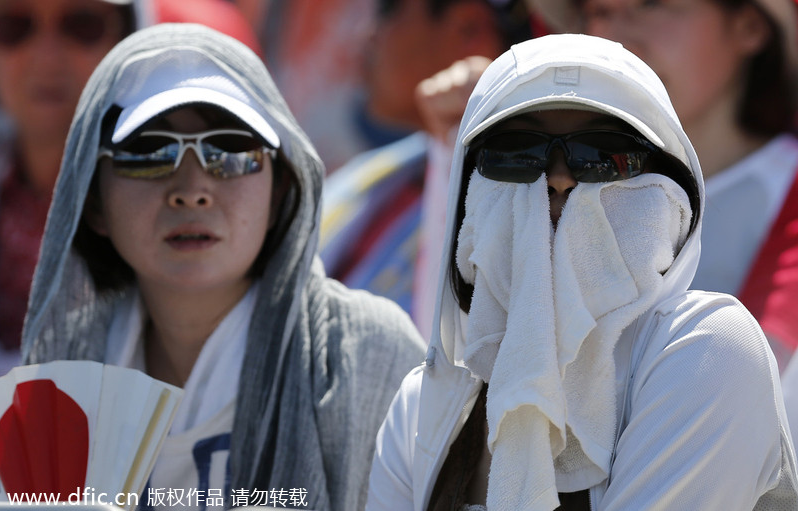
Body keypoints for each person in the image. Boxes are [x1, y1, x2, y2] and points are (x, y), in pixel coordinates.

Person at [366, 34, 797, 511]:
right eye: (517, 152)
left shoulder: (710, 353)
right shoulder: (421, 411)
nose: (558, 179)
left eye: (603, 155)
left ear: (671, 193)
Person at [21, 23, 425, 511]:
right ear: (92, 202)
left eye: (231, 151)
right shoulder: (62, 370)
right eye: (149, 153)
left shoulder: (366, 354)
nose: (192, 190)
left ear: (279, 190)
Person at [528, 0, 798, 369]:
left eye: (651, 5)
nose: (617, 41)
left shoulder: (786, 188)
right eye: (600, 11)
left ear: (749, 27)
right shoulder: (549, 181)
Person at [320, 0, 534, 339]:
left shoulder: (539, 197)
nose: (368, 33)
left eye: (388, 9)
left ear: (468, 29)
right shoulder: (374, 172)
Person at [0, 0, 145, 376]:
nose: (47, 58)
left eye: (82, 25)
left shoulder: (164, 204)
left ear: (126, 38)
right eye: (14, 26)